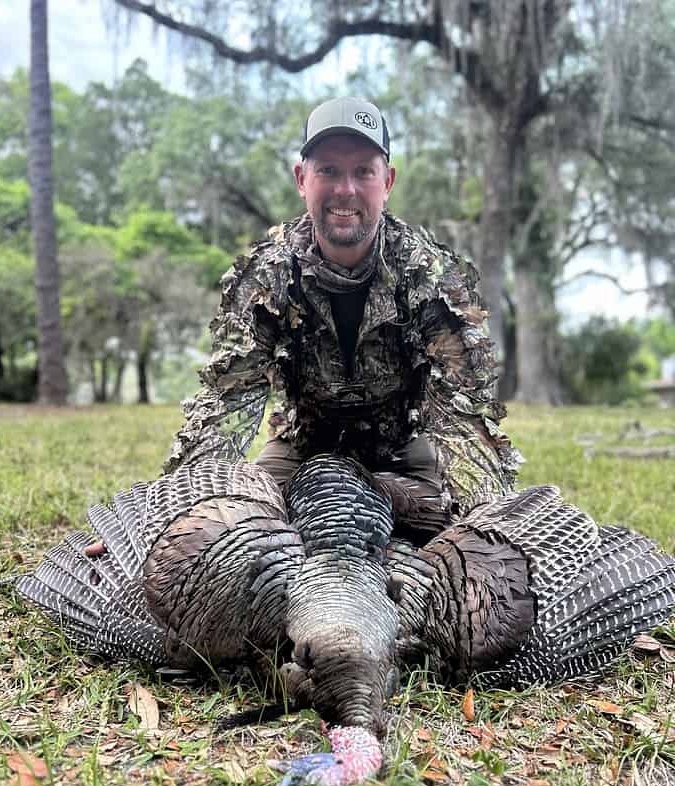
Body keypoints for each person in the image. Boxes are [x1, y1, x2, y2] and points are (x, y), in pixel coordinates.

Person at [86, 96, 520, 558]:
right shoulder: (265, 278)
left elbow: (466, 426)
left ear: (387, 182)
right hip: (302, 453)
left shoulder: (434, 279)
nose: (346, 190)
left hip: (402, 457)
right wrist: (164, 526)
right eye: (328, 170)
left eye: (363, 172)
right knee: (230, 533)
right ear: (301, 179)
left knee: (464, 544)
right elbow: (224, 412)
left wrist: (485, 526)